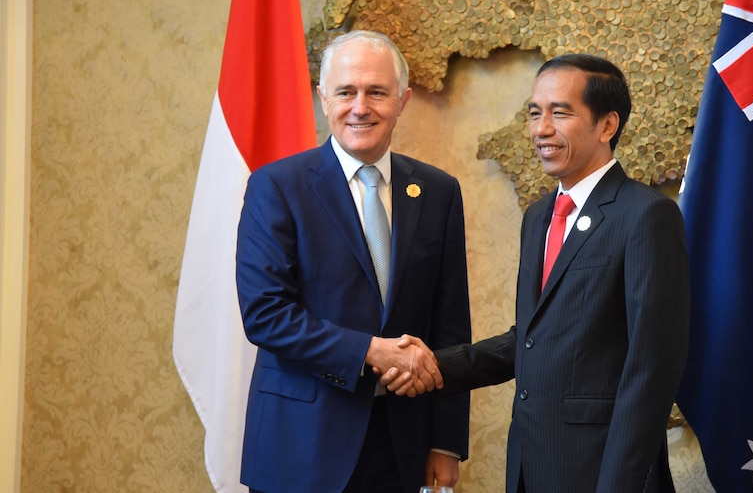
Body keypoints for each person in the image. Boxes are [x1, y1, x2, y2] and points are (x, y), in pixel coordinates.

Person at [383, 53, 690, 493]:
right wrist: (434, 365)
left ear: (607, 125)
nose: (541, 129)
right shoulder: (540, 216)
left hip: (603, 472)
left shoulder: (646, 216)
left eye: (560, 113)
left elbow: (653, 367)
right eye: (534, 113)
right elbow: (531, 338)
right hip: (532, 465)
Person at [236, 30, 471, 493]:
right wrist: (370, 351)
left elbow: (450, 327)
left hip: (402, 446)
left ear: (401, 101)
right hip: (302, 443)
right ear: (324, 99)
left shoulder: (439, 191)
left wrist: (445, 442)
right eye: (346, 92)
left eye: (376, 92)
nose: (360, 107)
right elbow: (266, 315)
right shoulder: (278, 187)